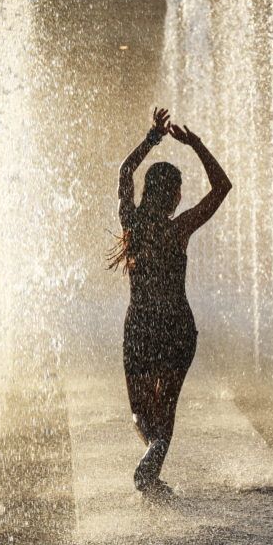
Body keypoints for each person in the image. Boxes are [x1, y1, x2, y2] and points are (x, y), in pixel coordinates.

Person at [108, 108, 232, 498]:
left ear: (149, 191)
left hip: (142, 325)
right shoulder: (179, 229)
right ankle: (155, 461)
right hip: (177, 327)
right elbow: (222, 187)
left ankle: (152, 452)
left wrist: (151, 138)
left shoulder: (132, 223)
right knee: (167, 409)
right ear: (175, 195)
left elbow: (125, 173)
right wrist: (194, 143)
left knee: (140, 413)